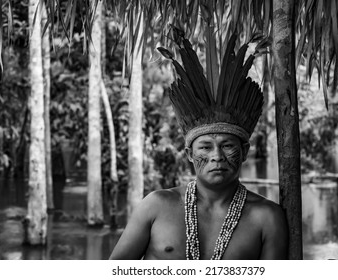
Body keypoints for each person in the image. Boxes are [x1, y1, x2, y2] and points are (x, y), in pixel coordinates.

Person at [109, 32, 288, 260]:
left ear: (244, 151)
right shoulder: (156, 206)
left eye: (227, 146)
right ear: (190, 154)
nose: (217, 157)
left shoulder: (266, 218)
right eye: (205, 147)